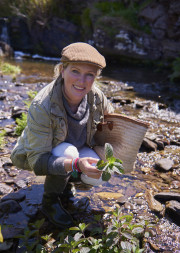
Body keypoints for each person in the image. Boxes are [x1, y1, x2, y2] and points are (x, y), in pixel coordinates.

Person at [10, 42, 114, 228]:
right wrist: (75, 164)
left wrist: (120, 149)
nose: (82, 81)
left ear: (95, 78)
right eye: (75, 71)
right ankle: (50, 201)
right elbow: (38, 161)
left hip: (74, 148)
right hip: (36, 153)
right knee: (69, 154)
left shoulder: (97, 97)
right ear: (62, 71)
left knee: (100, 173)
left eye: (89, 74)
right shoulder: (42, 104)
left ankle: (65, 186)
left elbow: (114, 124)